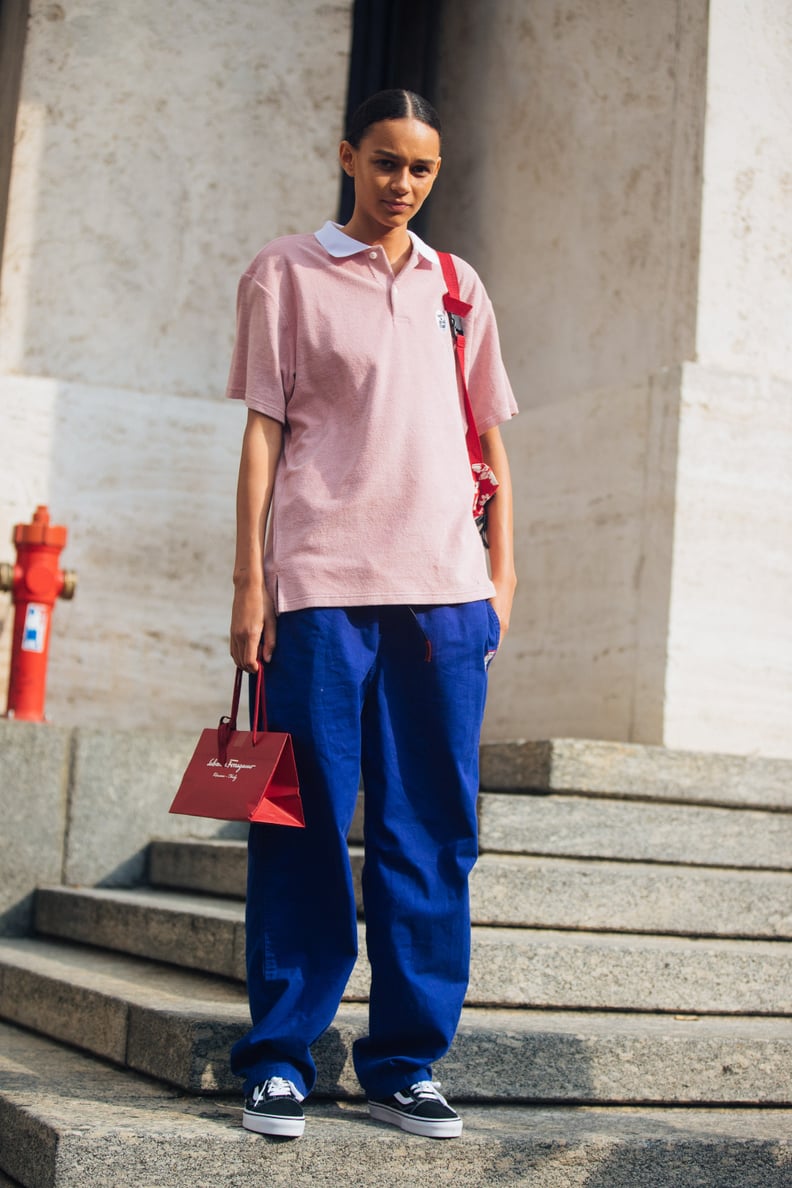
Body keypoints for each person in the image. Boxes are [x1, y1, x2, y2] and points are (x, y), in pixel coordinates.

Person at [226, 88, 517, 1141]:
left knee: (430, 833)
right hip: (317, 590)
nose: (403, 184)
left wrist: (503, 580)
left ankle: (403, 1061)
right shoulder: (285, 273)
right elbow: (263, 435)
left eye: (422, 170)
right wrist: (248, 584)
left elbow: (488, 441)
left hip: (445, 597)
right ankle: (279, 1057)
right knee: (297, 823)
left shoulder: (456, 284)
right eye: (386, 162)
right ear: (349, 157)